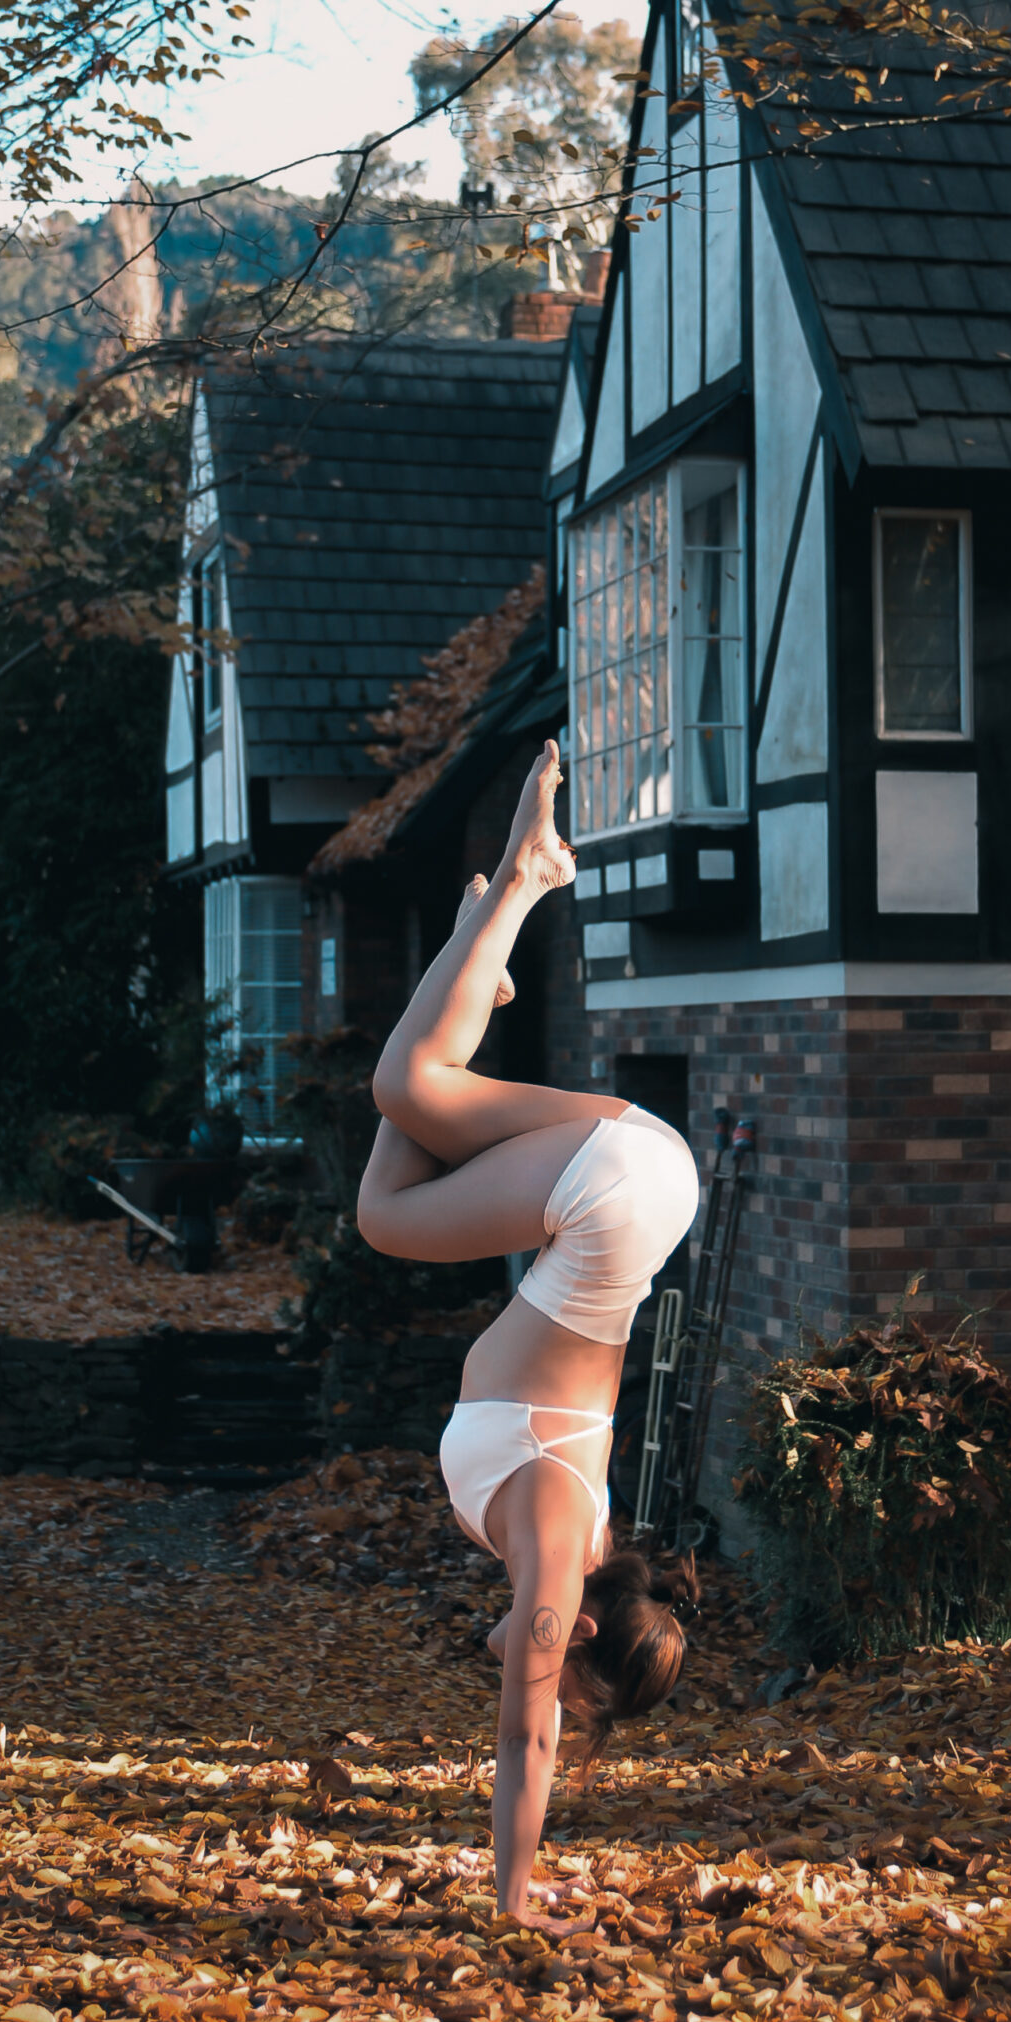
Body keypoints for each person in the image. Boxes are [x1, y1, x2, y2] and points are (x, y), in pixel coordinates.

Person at [356, 739, 701, 1926]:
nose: (513, 1651)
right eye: (553, 1657)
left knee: (384, 1200)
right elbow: (525, 1729)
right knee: (408, 1083)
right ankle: (520, 881)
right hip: (612, 1200)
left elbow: (543, 1701)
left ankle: (478, 958)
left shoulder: (563, 1539)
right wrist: (514, 1894)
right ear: (581, 1627)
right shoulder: (556, 1546)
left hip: (629, 1195)